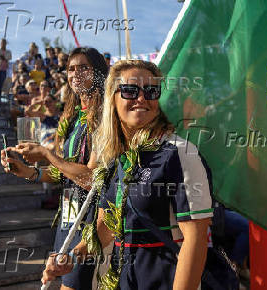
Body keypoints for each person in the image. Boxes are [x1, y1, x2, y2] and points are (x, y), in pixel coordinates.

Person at [41, 60, 214, 289]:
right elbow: (105, 228)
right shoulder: (115, 159)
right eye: (130, 90)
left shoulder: (180, 153)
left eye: (151, 91)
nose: (141, 98)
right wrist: (72, 257)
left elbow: (196, 239)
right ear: (112, 98)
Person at [1, 47, 108, 290]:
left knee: (74, 285)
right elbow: (64, 172)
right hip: (68, 210)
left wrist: (47, 154)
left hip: (95, 217)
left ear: (100, 74)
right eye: (71, 69)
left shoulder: (106, 118)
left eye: (84, 67)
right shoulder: (71, 118)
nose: (75, 74)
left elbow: (91, 179)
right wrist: (30, 171)